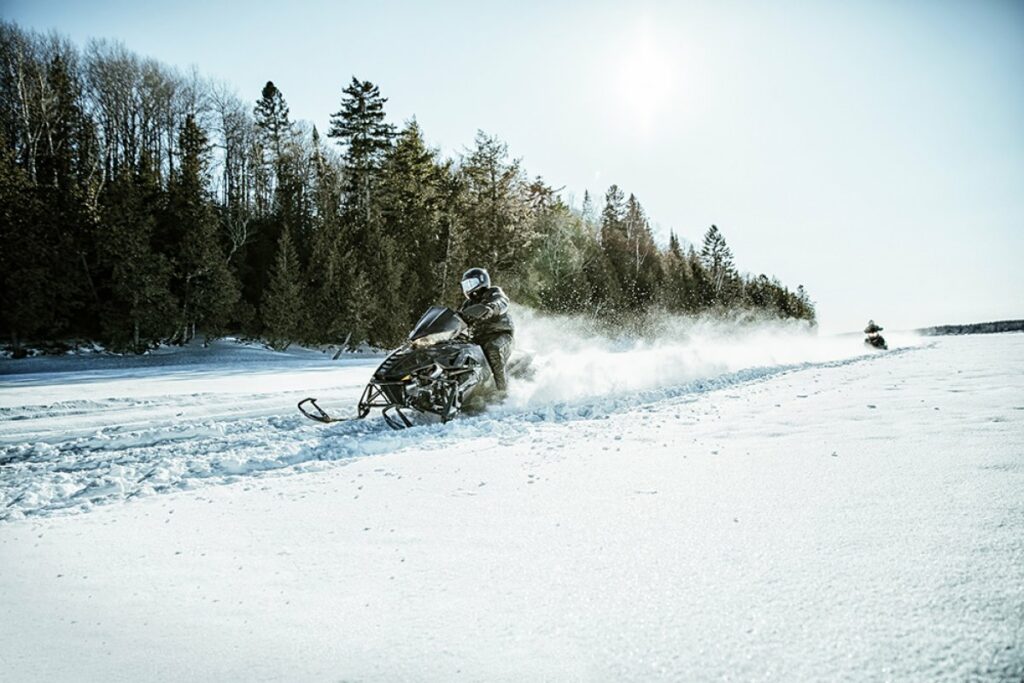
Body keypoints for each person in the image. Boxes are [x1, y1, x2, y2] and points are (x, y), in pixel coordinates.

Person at [458, 267, 514, 392]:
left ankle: (502, 390)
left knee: (492, 348)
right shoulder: (467, 304)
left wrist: (491, 307)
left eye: (471, 283)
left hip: (500, 335)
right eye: (465, 285)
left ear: (482, 281)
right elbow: (459, 319)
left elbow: (502, 302)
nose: (468, 288)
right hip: (477, 339)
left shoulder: (493, 292)